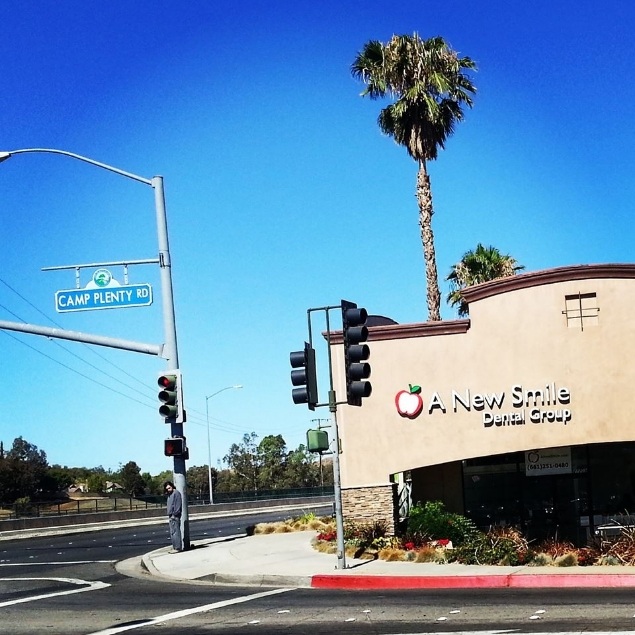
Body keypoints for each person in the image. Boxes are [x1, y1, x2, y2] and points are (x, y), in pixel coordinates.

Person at [164, 481, 182, 552]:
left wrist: (175, 514)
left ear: (172, 486)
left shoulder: (176, 493)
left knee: (176, 532)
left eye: (169, 488)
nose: (168, 490)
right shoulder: (169, 495)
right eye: (167, 489)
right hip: (170, 515)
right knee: (172, 532)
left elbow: (178, 505)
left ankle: (177, 547)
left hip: (174, 516)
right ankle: (174, 547)